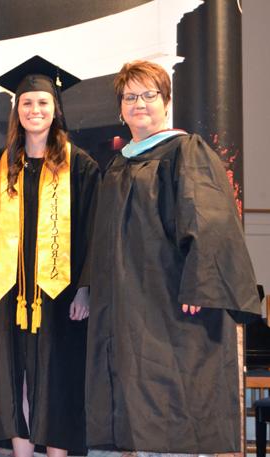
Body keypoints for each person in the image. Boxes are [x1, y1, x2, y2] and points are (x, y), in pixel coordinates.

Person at [86, 60, 261, 455]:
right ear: (120, 109)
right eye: (130, 96)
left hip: (174, 303)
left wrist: (202, 284)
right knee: (137, 402)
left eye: (149, 94)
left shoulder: (186, 151)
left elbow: (209, 219)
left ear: (166, 101)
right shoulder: (118, 163)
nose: (139, 103)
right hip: (130, 303)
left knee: (175, 402)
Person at [0, 56, 99, 457]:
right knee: (12, 378)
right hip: (8, 291)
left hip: (59, 293)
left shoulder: (79, 166)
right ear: (17, 109)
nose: (35, 110)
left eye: (43, 103)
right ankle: (21, 453)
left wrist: (84, 288)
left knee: (55, 377)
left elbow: (91, 230)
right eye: (27, 103)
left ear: (56, 109)